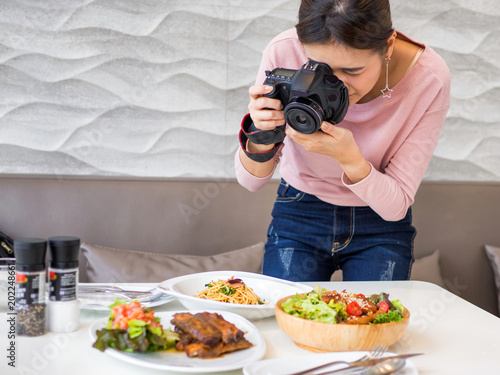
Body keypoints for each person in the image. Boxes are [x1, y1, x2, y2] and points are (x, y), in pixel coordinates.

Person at [235, 0, 450, 282]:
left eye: (352, 71)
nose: (336, 85)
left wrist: (349, 158)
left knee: (375, 324)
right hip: (299, 208)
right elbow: (250, 181)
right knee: (287, 320)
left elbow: (394, 208)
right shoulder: (284, 51)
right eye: (319, 69)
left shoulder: (429, 79)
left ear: (388, 45)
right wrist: (262, 131)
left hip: (379, 221)